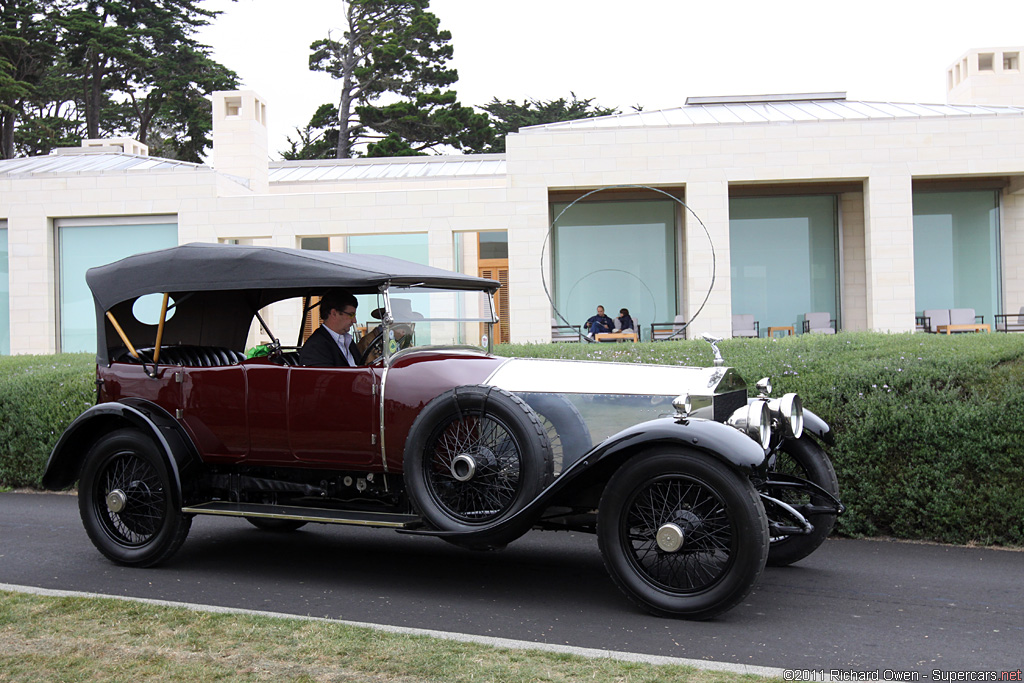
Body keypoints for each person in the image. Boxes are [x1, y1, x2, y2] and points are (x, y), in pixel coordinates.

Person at [299, 289, 362, 367]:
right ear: (334, 313)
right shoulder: (315, 347)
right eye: (351, 315)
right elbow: (324, 377)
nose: (354, 320)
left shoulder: (347, 341)